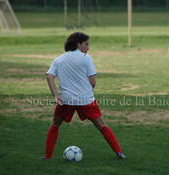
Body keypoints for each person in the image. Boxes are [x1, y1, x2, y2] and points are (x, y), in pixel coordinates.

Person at [43, 32, 126, 160]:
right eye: (86, 44)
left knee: (55, 125)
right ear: (78, 44)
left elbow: (49, 76)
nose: (88, 47)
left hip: (66, 100)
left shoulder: (59, 59)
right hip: (86, 100)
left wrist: (55, 96)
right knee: (101, 125)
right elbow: (93, 82)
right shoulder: (86, 58)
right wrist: (86, 90)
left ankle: (48, 157)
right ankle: (119, 153)